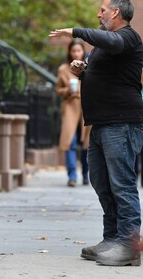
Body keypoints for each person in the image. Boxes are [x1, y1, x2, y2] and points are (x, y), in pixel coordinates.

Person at [49, 0, 143, 266]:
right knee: (102, 183)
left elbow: (111, 42)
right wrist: (83, 69)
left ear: (115, 13)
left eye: (102, 10)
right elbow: (106, 70)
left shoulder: (128, 37)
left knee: (122, 185)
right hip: (101, 124)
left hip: (122, 123)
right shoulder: (104, 47)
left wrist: (75, 31)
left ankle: (129, 246)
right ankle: (112, 239)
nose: (98, 14)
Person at [55, 39, 90, 187]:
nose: (76, 53)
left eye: (79, 50)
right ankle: (72, 176)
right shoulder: (63, 69)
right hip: (70, 104)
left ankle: (85, 174)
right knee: (70, 141)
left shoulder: (89, 67)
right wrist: (67, 90)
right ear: (69, 52)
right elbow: (58, 89)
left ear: (83, 52)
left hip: (86, 105)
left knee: (86, 142)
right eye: (73, 51)